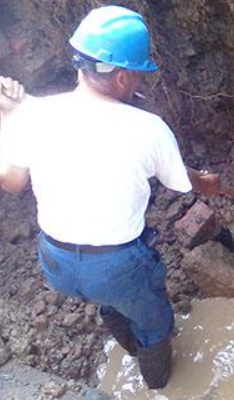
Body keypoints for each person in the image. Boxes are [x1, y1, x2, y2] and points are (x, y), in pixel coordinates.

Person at [0, 6, 218, 389]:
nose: (139, 82)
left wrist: (8, 122)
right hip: (117, 267)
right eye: (137, 74)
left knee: (112, 296)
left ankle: (120, 325)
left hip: (56, 263)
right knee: (154, 321)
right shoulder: (148, 129)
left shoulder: (33, 115)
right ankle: (160, 384)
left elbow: (11, 182)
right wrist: (207, 182)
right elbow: (181, 182)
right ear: (121, 76)